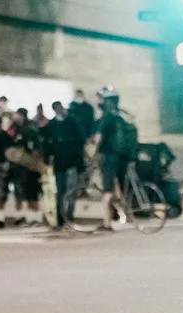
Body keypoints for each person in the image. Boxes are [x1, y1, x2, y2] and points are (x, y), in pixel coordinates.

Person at [92, 86, 137, 231]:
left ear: (108, 101)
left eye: (102, 99)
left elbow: (98, 137)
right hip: (121, 156)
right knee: (118, 188)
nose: (100, 102)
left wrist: (93, 154)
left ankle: (106, 223)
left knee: (107, 191)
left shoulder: (107, 116)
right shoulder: (120, 115)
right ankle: (127, 214)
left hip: (108, 156)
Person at [45, 100, 87, 228]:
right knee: (61, 192)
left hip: (71, 162)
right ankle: (61, 219)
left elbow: (81, 139)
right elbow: (48, 144)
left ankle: (68, 217)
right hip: (60, 163)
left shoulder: (72, 122)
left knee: (71, 191)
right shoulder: (52, 125)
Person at [10, 107, 44, 224]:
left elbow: (35, 149)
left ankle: (35, 217)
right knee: (24, 192)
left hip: (30, 167)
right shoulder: (17, 128)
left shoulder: (29, 129)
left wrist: (32, 163)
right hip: (21, 167)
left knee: (32, 191)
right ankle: (29, 216)